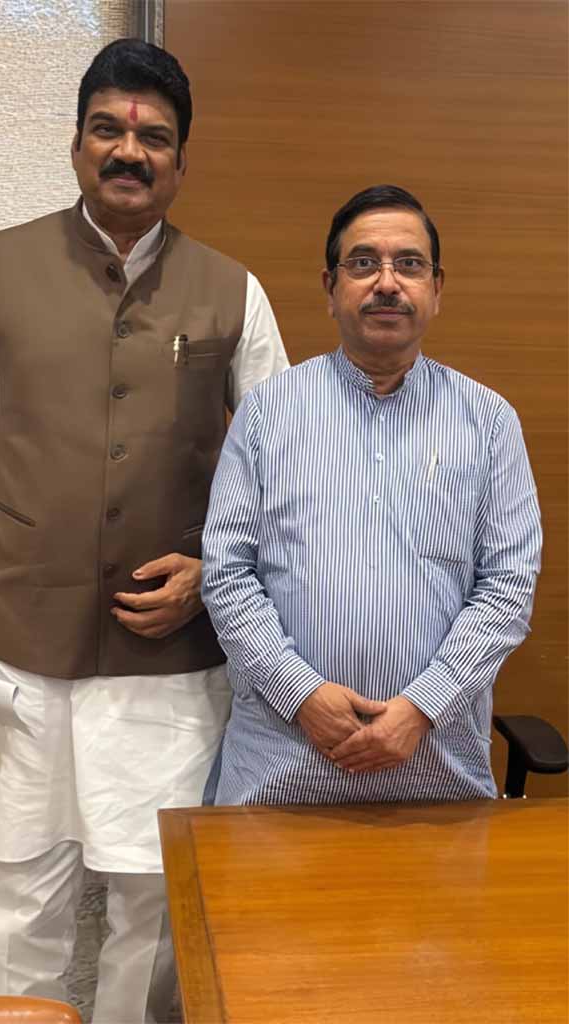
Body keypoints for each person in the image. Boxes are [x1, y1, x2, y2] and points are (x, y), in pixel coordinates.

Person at [0, 38, 288, 1023]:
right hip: (22, 642)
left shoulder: (233, 291)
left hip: (170, 657)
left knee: (153, 896)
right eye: (108, 129)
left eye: (153, 138)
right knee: (20, 887)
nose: (129, 150)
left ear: (180, 162)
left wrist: (210, 569)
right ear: (76, 144)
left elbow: (279, 472)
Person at [201, 184, 541, 807]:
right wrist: (300, 693)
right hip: (278, 772)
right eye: (363, 263)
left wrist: (423, 706)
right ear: (330, 287)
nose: (387, 282)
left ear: (437, 287)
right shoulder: (267, 412)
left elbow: (508, 587)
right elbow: (227, 575)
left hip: (439, 776)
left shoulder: (489, 421)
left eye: (409, 264)